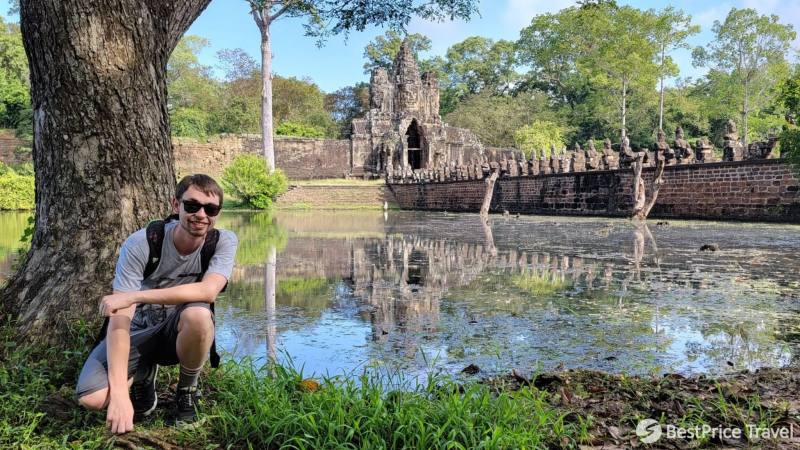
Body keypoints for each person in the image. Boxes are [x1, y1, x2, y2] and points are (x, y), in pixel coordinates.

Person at [75, 174, 238, 434]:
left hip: (177, 332)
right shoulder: (141, 243)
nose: (201, 215)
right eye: (192, 206)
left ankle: (187, 391)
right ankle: (143, 375)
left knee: (198, 314)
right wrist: (118, 395)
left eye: (211, 208)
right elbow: (120, 318)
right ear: (176, 205)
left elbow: (208, 291)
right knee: (92, 399)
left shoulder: (222, 241)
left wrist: (135, 296)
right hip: (137, 330)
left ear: (218, 212)